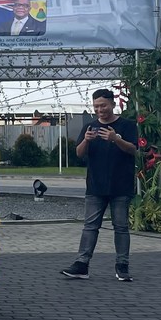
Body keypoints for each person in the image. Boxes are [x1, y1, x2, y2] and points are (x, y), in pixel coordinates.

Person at [62, 88, 138, 282]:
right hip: (95, 187)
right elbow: (79, 153)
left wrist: (115, 139)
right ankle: (81, 265)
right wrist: (86, 141)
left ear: (112, 104)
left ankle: (122, 265)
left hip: (121, 185)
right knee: (90, 226)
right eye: (96, 106)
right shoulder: (89, 127)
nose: (99, 109)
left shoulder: (127, 125)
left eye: (103, 105)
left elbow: (133, 150)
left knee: (120, 226)